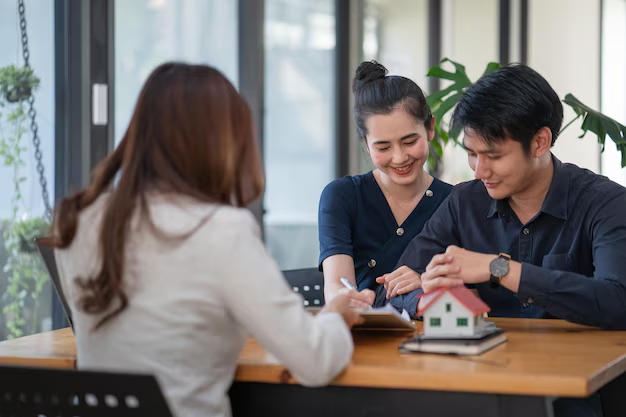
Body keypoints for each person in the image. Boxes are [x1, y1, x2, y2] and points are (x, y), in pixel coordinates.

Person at [52, 62, 369, 417]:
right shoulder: (221, 229)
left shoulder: (83, 219)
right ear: (224, 142)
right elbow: (315, 362)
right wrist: (335, 316)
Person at [381, 63, 626, 333]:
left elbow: (617, 301)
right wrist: (429, 300)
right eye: (472, 153)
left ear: (539, 142)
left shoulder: (605, 203)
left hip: (583, 369)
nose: (479, 171)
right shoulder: (464, 202)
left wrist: (499, 268)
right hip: (484, 366)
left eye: (494, 156)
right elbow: (394, 289)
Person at [318, 61, 453, 313]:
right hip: (362, 334)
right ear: (366, 144)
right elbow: (336, 284)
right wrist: (348, 300)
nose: (399, 157)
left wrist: (425, 281)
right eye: (383, 147)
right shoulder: (342, 196)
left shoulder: (456, 202)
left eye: (409, 141)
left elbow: (471, 284)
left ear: (430, 128)